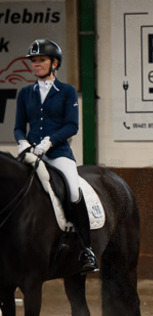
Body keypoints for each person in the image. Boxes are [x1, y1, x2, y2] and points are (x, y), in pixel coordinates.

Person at [13, 39, 98, 273]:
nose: (36, 64)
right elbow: (19, 126)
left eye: (41, 60)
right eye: (34, 61)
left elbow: (72, 126)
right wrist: (22, 141)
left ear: (55, 63)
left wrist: (50, 142)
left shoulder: (67, 91)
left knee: (72, 190)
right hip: (31, 154)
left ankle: (86, 248)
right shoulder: (25, 94)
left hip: (59, 154)